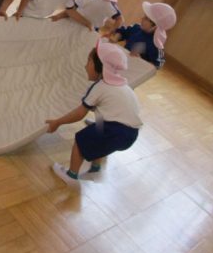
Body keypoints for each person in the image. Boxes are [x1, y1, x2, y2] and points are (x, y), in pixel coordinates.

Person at [46, 40, 142, 188]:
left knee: (81, 140)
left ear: (100, 66)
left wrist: (58, 122)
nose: (85, 66)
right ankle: (95, 168)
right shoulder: (124, 86)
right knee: (101, 137)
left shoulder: (100, 86)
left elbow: (80, 113)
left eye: (89, 61)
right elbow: (114, 111)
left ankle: (71, 175)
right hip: (131, 134)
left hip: (115, 131)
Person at [109, 1, 177, 68]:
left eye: (146, 18)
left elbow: (158, 63)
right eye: (144, 16)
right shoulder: (136, 28)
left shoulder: (155, 45)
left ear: (155, 27)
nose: (142, 18)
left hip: (135, 69)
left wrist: (141, 61)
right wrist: (116, 37)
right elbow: (124, 32)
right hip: (122, 60)